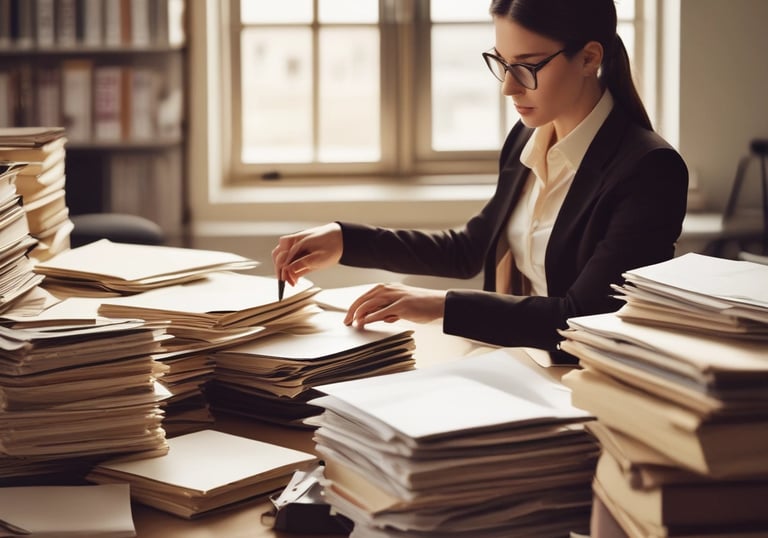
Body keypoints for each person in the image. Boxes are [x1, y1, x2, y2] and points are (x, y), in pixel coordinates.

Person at [272, 0, 688, 359]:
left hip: (579, 385)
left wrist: (441, 305)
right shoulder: (529, 136)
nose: (508, 87)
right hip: (505, 363)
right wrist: (347, 240)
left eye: (527, 67)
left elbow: (582, 316)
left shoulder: (649, 170)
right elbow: (470, 249)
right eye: (502, 64)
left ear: (589, 58)